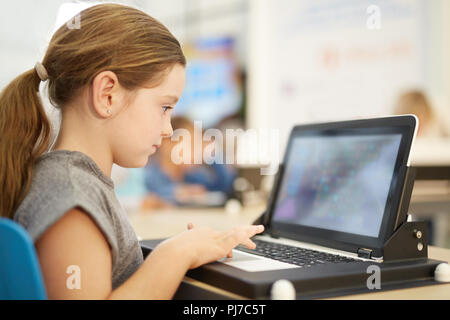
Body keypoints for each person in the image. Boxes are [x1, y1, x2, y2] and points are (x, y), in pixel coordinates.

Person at [0, 4, 263, 299]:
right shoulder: (72, 199)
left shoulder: (78, 184)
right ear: (107, 94)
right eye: (164, 108)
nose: (167, 129)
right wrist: (177, 253)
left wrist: (184, 249)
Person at [142, 116, 236, 209]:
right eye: (191, 145)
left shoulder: (193, 177)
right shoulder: (149, 175)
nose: (197, 151)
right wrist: (178, 192)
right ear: (167, 144)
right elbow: (146, 195)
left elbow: (224, 185)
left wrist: (212, 152)